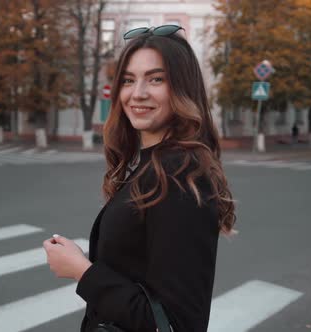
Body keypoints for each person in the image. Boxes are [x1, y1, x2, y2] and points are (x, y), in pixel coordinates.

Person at [43, 25, 236, 332]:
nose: (138, 93)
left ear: (182, 89)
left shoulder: (179, 177)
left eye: (156, 79)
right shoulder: (154, 165)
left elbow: (177, 324)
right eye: (129, 80)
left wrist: (82, 270)